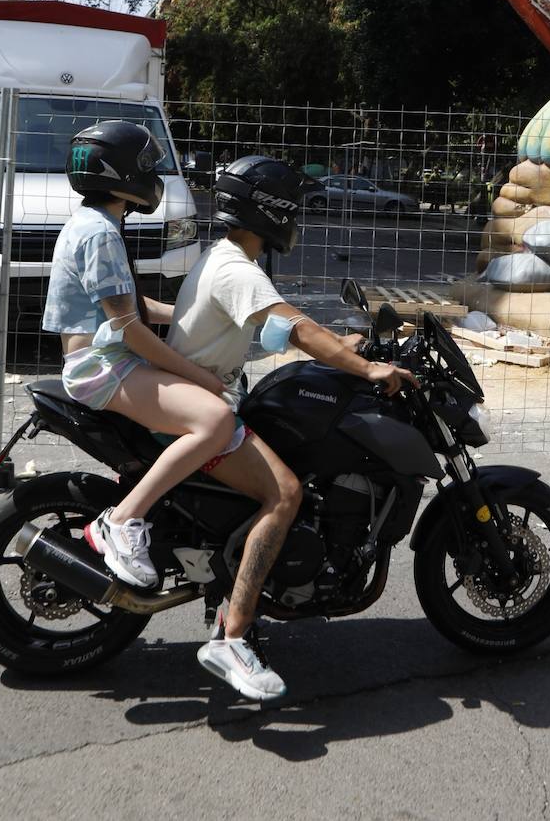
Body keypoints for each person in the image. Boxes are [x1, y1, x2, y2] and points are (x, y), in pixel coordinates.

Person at [165, 156, 414, 702]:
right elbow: (293, 327)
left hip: (206, 397)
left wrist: (341, 348)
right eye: (292, 207)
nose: (299, 217)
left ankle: (235, 601)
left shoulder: (226, 257)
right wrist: (370, 368)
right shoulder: (238, 269)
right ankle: (232, 639)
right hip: (204, 409)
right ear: (270, 210)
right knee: (285, 494)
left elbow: (276, 328)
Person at [43, 121, 241, 590]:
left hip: (106, 360)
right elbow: (131, 330)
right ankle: (123, 519)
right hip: (103, 367)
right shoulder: (101, 235)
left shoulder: (94, 224)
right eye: (148, 167)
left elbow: (131, 305)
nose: (154, 176)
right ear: (124, 173)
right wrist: (202, 377)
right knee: (216, 419)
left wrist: (196, 317)